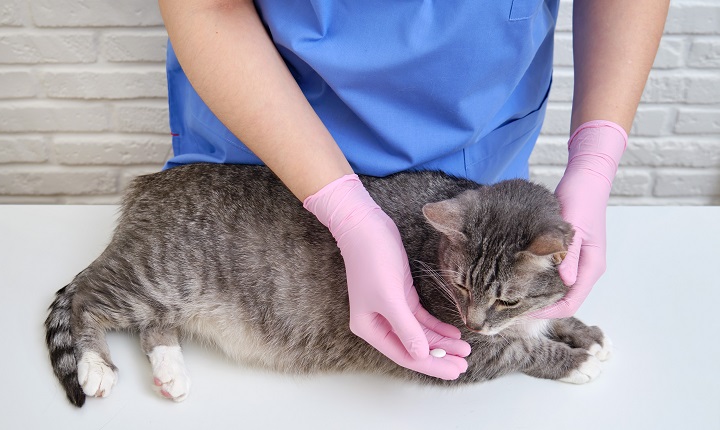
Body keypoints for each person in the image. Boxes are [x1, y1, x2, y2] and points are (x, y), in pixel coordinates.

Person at [157, 0, 670, 380]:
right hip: (271, 156)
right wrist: (346, 212)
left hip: (466, 178)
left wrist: (597, 157)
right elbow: (207, 7)